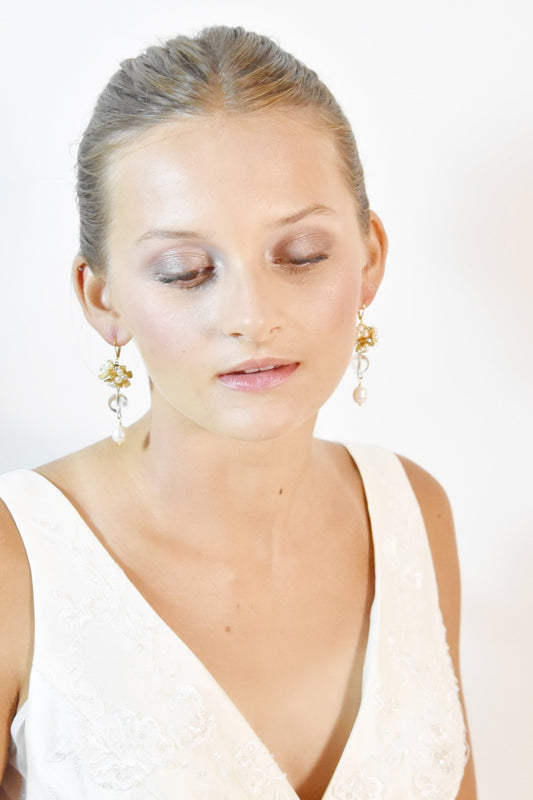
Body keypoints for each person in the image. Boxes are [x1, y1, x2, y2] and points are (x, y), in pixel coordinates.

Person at [0, 25, 476, 800]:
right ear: (102, 297)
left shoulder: (413, 513)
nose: (252, 316)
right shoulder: (15, 562)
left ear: (369, 256)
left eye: (301, 255)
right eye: (185, 271)